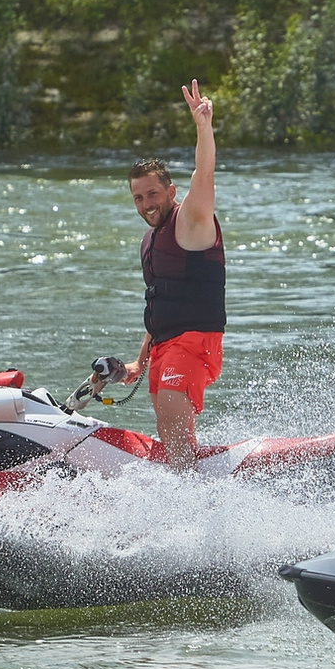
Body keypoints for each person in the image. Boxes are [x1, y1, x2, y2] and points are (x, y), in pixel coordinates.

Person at [119, 81, 221, 470]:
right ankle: (190, 474)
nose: (146, 204)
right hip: (164, 347)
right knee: (167, 422)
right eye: (139, 198)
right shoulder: (149, 240)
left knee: (171, 410)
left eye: (153, 194)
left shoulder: (191, 221)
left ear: (171, 190)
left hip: (195, 340)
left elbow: (205, 173)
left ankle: (188, 498)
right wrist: (138, 361)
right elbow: (158, 306)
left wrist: (203, 127)